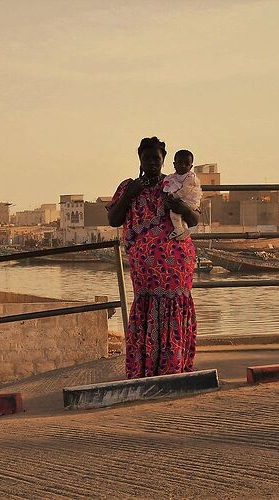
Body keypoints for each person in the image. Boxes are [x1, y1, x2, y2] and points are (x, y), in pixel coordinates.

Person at [107, 137, 200, 378]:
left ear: (163, 160)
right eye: (146, 158)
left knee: (173, 306)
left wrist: (181, 207)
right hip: (145, 267)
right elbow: (113, 219)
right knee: (148, 306)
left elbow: (194, 219)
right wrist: (131, 194)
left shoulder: (174, 185)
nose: (151, 162)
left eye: (156, 158)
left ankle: (173, 366)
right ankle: (147, 367)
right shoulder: (128, 186)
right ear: (139, 158)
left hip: (177, 260)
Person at [162, 149, 202, 240]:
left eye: (186, 164)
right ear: (174, 164)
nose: (183, 166)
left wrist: (174, 196)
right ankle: (183, 230)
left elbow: (185, 190)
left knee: (175, 212)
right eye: (180, 163)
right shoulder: (172, 178)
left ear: (191, 166)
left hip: (188, 201)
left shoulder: (190, 177)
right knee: (180, 217)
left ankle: (178, 229)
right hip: (182, 200)